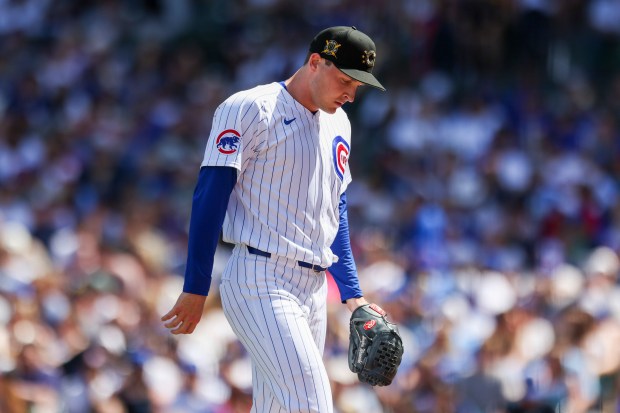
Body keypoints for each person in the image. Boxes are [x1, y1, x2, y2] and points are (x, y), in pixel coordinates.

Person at [161, 26, 387, 413]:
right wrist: (196, 285)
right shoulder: (250, 107)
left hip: (313, 287)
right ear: (315, 62)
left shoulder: (339, 124)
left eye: (359, 85)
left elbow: (336, 213)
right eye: (346, 79)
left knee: (278, 409)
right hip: (260, 278)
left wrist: (353, 294)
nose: (351, 94)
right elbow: (209, 196)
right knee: (312, 404)